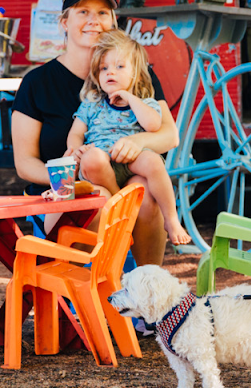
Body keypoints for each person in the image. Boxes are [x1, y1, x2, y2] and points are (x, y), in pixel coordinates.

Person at [11, 0, 181, 264]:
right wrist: (70, 176)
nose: (94, 20)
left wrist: (137, 141)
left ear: (113, 22)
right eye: (83, 12)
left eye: (102, 12)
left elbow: (170, 135)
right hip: (66, 190)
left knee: (144, 193)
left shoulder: (136, 73)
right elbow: (24, 163)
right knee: (96, 198)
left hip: (124, 176)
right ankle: (90, 290)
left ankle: (148, 284)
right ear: (64, 22)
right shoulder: (37, 83)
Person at [67, 30, 192, 246]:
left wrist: (130, 98)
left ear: (137, 74)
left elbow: (153, 125)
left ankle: (172, 219)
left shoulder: (145, 102)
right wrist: (76, 148)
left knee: (153, 161)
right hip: (101, 166)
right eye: (103, 68)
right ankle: (121, 205)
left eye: (119, 66)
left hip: (132, 161)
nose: (110, 72)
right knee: (91, 158)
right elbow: (76, 133)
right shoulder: (92, 103)